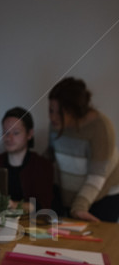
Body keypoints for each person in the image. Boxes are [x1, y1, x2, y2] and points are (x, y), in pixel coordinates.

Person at [48, 77, 119, 222]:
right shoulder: (55, 125)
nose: (53, 117)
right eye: (50, 110)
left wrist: (79, 207)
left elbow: (97, 175)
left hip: (102, 198)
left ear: (73, 111)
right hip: (71, 201)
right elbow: (51, 155)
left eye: (60, 112)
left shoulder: (100, 127)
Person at [0, 106, 54, 212]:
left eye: (16, 133)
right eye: (6, 133)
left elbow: (43, 205)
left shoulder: (42, 166)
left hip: (30, 225)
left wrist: (13, 205)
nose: (9, 138)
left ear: (29, 134)